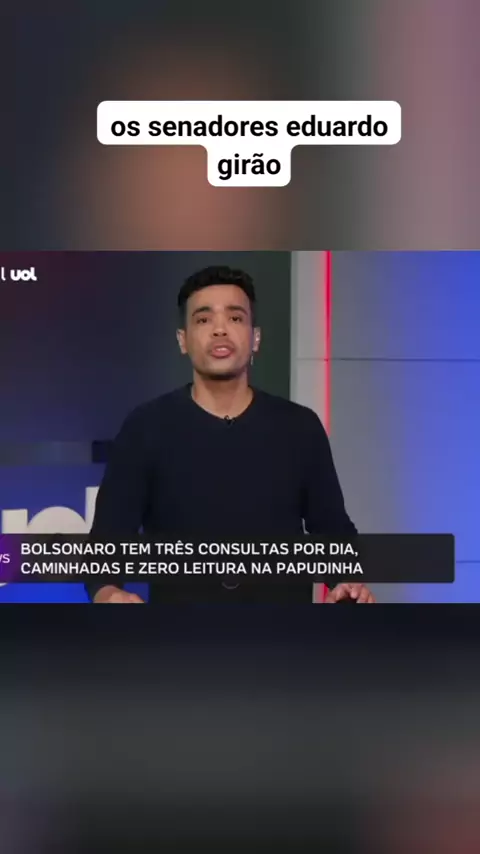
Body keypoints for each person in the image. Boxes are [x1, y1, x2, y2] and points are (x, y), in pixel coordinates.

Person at [87, 265, 375, 604]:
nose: (220, 329)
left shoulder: (299, 427)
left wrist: (349, 584)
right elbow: (105, 547)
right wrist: (109, 595)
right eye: (203, 319)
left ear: (256, 338)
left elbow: (334, 534)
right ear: (183, 340)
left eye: (236, 318)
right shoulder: (146, 427)